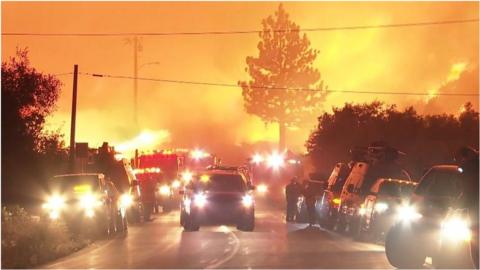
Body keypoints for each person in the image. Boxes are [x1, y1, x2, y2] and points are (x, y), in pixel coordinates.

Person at [454, 146, 479, 268]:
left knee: (475, 244)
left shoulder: (468, 167)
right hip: (473, 210)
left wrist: (458, 205)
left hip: (474, 212)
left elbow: (467, 190)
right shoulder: (468, 167)